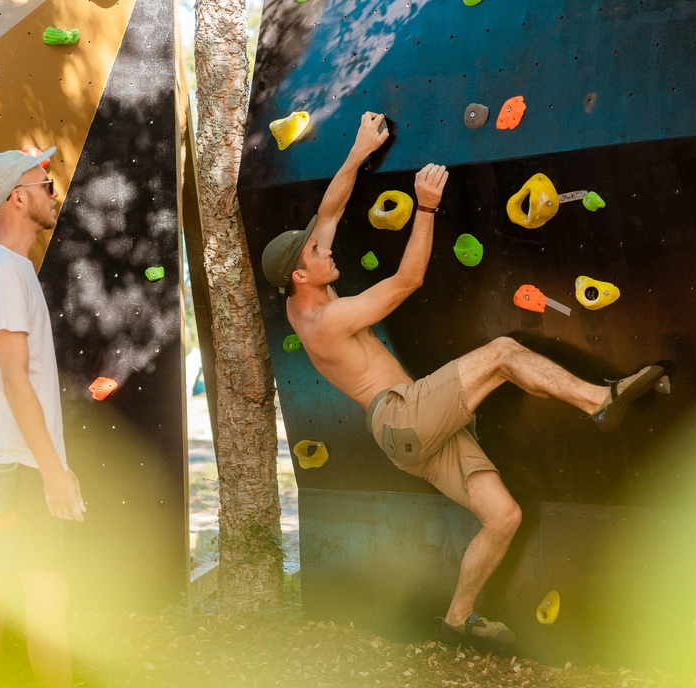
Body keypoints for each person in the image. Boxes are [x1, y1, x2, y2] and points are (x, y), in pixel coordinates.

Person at [261, 113, 663, 649]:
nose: (326, 248)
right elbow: (409, 280)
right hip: (402, 413)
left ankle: (457, 621)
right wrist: (425, 205)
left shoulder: (302, 295)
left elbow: (327, 211)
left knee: (503, 517)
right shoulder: (326, 319)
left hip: (405, 433)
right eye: (316, 252)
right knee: (502, 354)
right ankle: (599, 400)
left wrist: (359, 151)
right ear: (300, 275)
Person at [0, 147, 85, 688]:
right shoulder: (4, 272)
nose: (54, 193)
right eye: (46, 184)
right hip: (19, 469)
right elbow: (16, 380)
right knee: (48, 603)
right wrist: (54, 470)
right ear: (18, 197)